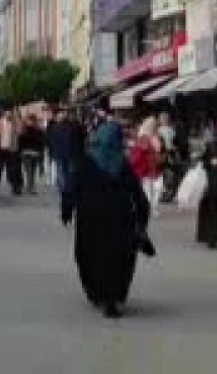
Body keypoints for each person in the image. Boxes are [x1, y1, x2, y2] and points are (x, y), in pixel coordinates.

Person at [60, 119, 150, 319]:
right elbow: (137, 194)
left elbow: (71, 188)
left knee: (91, 257)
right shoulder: (122, 165)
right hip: (120, 220)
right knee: (118, 260)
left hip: (90, 220)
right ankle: (112, 297)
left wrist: (66, 210)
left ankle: (98, 293)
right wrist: (143, 217)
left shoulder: (85, 162)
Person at [129, 117, 163, 216]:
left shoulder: (157, 136)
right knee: (148, 190)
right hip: (146, 168)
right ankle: (150, 208)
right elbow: (140, 152)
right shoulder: (143, 137)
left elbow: (160, 150)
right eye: (153, 125)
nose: (154, 127)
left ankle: (152, 207)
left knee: (158, 187)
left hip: (155, 167)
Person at [19, 114, 46, 195]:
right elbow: (20, 142)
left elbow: (41, 143)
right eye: (29, 121)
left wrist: (40, 152)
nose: (31, 122)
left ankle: (30, 186)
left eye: (32, 121)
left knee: (32, 171)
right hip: (26, 153)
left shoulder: (38, 131)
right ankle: (30, 188)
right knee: (29, 171)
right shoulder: (24, 131)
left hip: (34, 153)